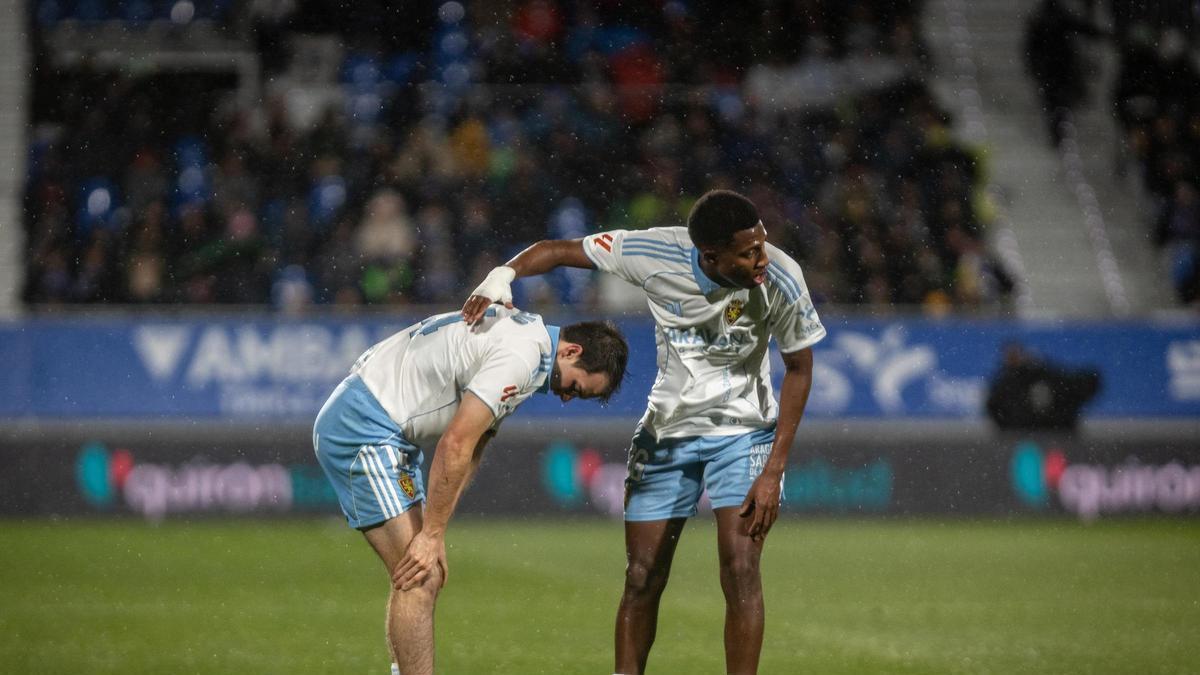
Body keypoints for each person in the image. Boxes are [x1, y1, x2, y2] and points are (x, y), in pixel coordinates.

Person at [462, 189, 825, 674]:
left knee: (741, 571)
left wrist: (774, 469)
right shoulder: (652, 253)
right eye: (749, 251)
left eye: (761, 243)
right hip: (666, 435)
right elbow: (557, 250)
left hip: (743, 435)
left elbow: (799, 367)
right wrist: (501, 275)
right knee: (641, 577)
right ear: (709, 255)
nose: (762, 257)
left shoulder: (781, 277)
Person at [314, 307, 628, 675]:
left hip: (385, 430)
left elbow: (476, 444)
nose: (566, 398)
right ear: (571, 351)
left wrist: (436, 529)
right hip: (364, 428)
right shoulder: (521, 357)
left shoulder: (533, 349)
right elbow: (455, 445)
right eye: (575, 386)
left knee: (419, 573)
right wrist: (429, 534)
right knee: (419, 576)